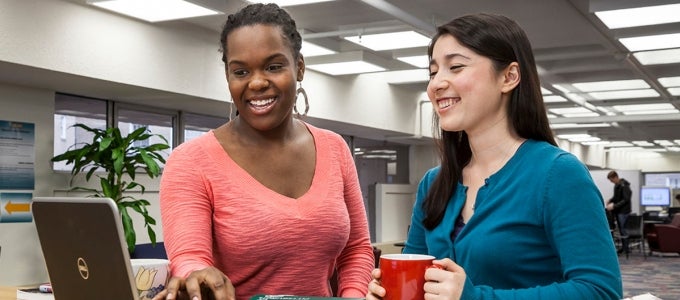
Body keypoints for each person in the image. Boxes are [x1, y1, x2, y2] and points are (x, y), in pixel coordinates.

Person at [366, 13, 622, 300]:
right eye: (433, 71)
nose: (437, 83)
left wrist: (476, 297)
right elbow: (415, 271)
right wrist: (390, 291)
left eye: (456, 67)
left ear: (509, 77)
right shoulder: (434, 183)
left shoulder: (558, 174)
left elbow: (600, 291)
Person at [153, 3, 374, 300]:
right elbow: (190, 258)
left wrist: (353, 295)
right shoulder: (191, 161)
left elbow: (356, 249)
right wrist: (197, 275)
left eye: (273, 66)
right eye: (241, 71)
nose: (256, 82)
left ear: (300, 67)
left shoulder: (335, 149)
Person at [605, 170, 632, 253]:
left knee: (623, 230)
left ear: (616, 177)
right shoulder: (617, 185)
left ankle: (626, 248)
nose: (611, 182)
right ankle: (624, 247)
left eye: (611, 180)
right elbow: (617, 197)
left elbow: (625, 199)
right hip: (619, 211)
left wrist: (614, 206)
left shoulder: (624, 185)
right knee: (621, 230)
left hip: (623, 211)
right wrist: (611, 200)